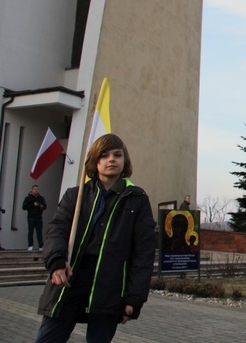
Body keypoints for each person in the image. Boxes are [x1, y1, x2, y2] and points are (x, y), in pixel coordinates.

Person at [35, 134, 156, 343]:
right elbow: (57, 230)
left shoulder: (137, 200)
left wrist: (135, 297)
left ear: (124, 160)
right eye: (104, 155)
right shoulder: (76, 195)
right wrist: (56, 262)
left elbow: (143, 253)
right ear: (95, 161)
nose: (111, 160)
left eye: (117, 155)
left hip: (110, 283)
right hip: (71, 277)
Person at [23, 184, 47, 250]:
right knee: (30, 231)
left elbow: (45, 206)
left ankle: (41, 246)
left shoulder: (41, 198)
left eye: (37, 189)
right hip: (31, 217)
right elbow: (24, 207)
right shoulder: (28, 198)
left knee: (39, 232)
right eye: (35, 189)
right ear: (32, 190)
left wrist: (41, 206)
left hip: (39, 217)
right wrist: (33, 205)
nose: (36, 190)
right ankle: (30, 245)